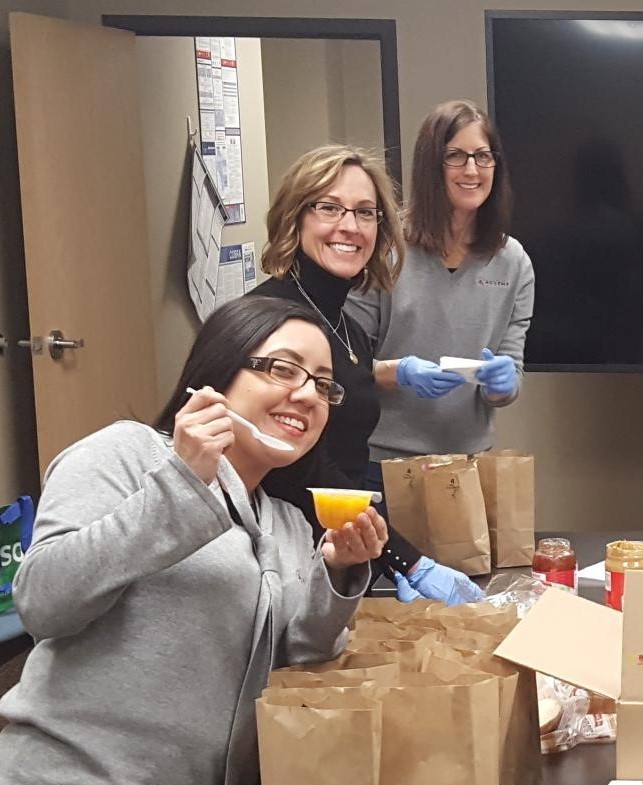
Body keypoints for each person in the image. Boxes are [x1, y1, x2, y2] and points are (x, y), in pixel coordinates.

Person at [0, 296, 387, 784]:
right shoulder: (127, 454)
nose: (309, 395)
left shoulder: (287, 522)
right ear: (220, 371)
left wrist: (337, 573)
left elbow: (300, 661)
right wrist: (180, 487)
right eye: (284, 369)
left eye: (324, 384)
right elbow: (43, 602)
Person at [251, 144, 482, 606]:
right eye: (329, 208)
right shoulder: (272, 322)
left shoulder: (347, 327)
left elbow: (345, 451)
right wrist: (406, 559)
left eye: (365, 212)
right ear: (294, 217)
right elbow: (301, 467)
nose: (349, 227)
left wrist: (378, 556)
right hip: (279, 562)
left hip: (336, 549)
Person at [350, 99, 534, 481]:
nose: (472, 170)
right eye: (456, 156)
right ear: (431, 165)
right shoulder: (384, 249)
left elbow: (508, 376)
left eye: (484, 156)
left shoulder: (513, 261)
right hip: (386, 465)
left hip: (470, 466)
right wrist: (401, 373)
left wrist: (503, 384)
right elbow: (344, 365)